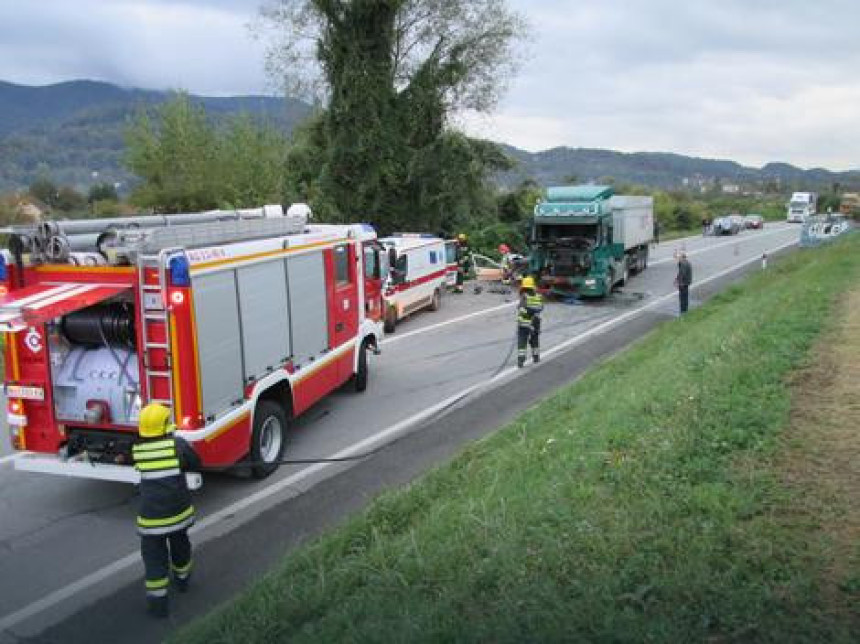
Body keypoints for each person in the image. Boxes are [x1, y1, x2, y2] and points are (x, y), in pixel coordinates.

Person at [133, 403, 200, 618]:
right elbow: (195, 462)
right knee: (181, 547)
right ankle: (182, 581)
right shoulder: (176, 446)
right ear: (165, 426)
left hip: (151, 521)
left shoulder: (138, 451)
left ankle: (158, 603)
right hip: (178, 515)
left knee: (153, 558)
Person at [517, 276, 544, 367]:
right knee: (535, 340)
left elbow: (521, 309)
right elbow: (541, 308)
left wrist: (526, 311)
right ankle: (536, 357)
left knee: (522, 342)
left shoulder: (524, 297)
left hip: (524, 324)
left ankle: (521, 361)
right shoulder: (538, 297)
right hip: (535, 323)